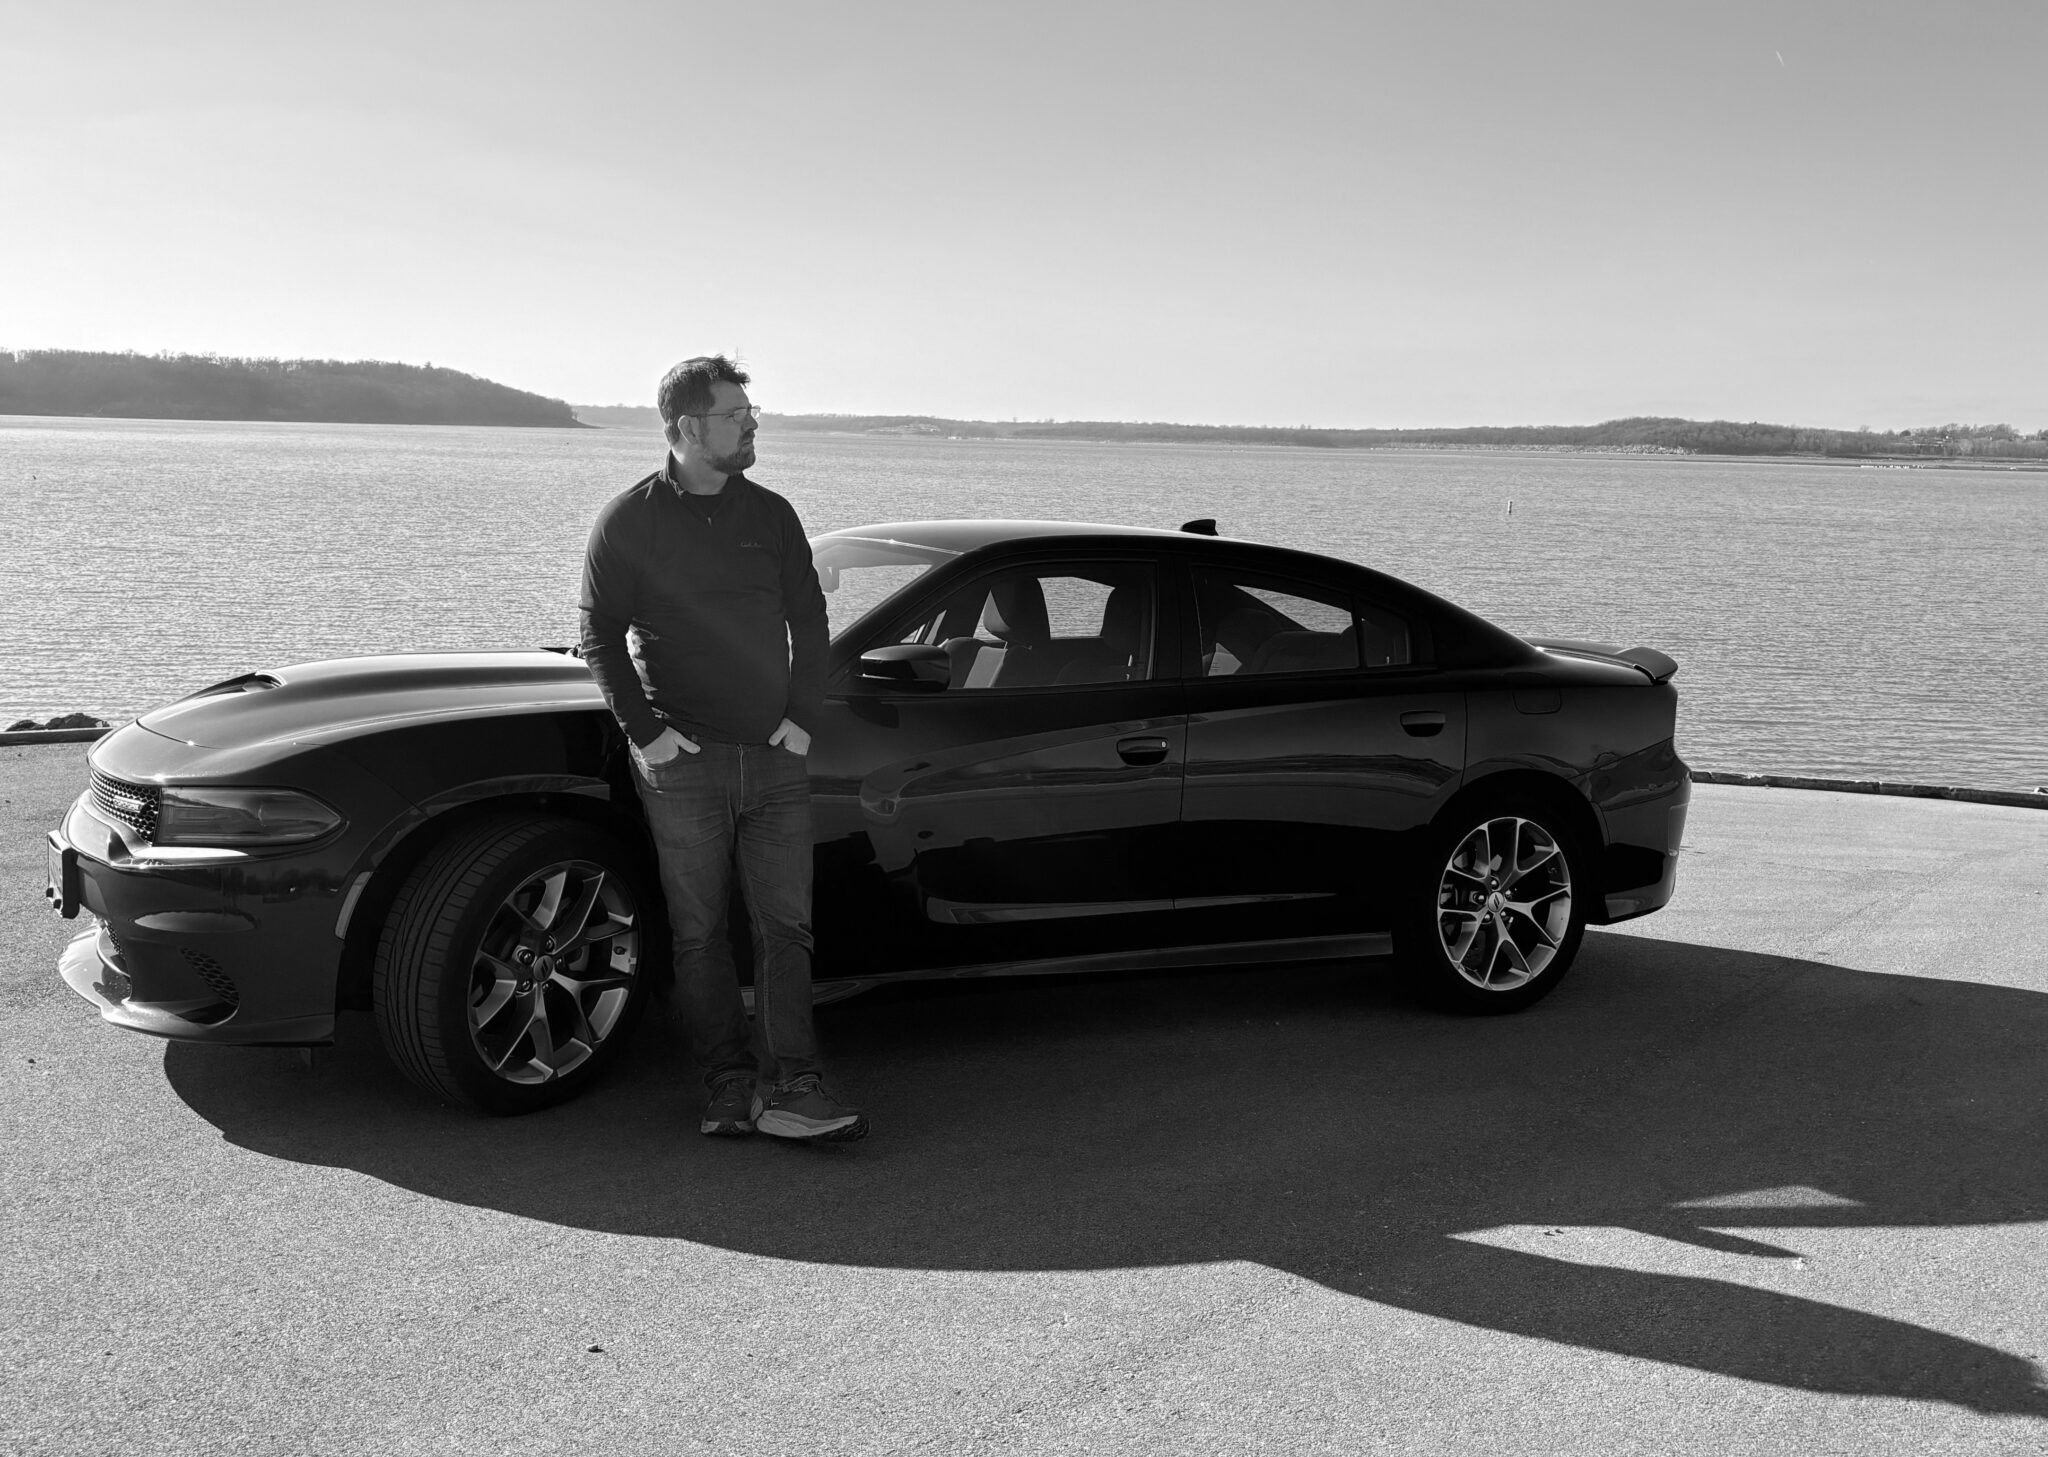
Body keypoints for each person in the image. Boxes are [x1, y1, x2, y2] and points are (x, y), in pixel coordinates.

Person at [578, 355, 866, 1142]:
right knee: (700, 934)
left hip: (774, 758)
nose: (752, 423)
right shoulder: (628, 521)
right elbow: (598, 633)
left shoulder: (771, 516)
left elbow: (809, 620)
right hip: (684, 766)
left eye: (750, 411)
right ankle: (728, 1086)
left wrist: (801, 716)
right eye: (736, 414)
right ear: (684, 428)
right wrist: (649, 735)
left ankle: (796, 1082)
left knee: (785, 930)